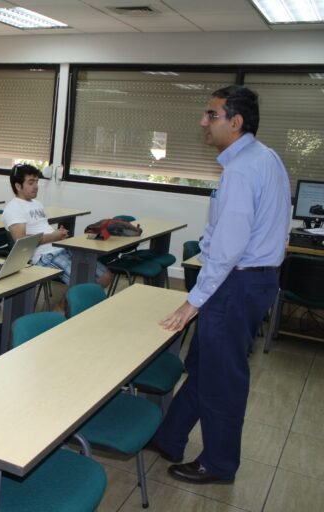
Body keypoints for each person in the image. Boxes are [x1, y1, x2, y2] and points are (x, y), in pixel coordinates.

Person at [152, 85, 290, 484]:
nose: (203, 122)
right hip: (252, 281)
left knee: (222, 379)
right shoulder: (265, 158)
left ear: (236, 122)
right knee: (204, 366)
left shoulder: (244, 170)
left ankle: (218, 464)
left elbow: (228, 249)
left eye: (211, 115)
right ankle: (169, 437)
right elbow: (225, 231)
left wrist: (191, 302)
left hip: (237, 283)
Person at [2, 164, 111, 289]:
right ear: (18, 186)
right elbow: (22, 241)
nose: (36, 186)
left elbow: (42, 228)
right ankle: (63, 307)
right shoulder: (14, 208)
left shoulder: (37, 204)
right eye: (31, 183)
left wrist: (59, 233)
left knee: (105, 276)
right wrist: (54, 236)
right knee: (85, 286)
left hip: (61, 247)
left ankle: (74, 302)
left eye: (37, 182)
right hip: (45, 256)